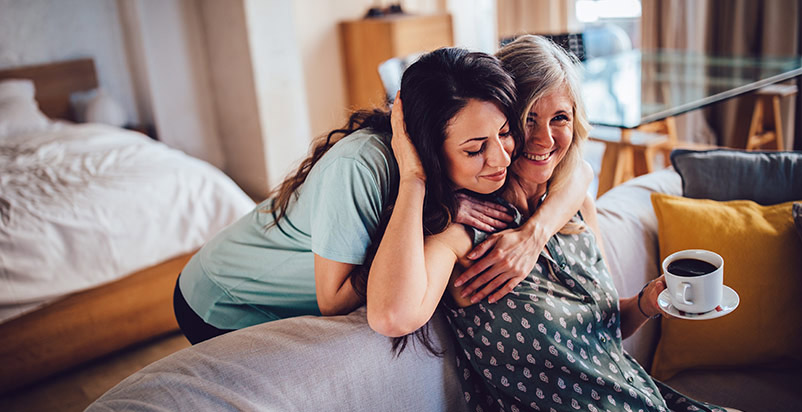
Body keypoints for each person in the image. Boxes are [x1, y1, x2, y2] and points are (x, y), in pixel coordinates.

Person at [368, 35, 731, 412]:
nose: (543, 138)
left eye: (560, 118)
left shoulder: (576, 208)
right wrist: (415, 175)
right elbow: (393, 314)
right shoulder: (464, 232)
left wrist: (646, 302)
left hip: (646, 399)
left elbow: (604, 331)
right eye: (527, 120)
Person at [173, 46, 591, 345]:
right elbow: (334, 300)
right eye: (475, 148)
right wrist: (427, 199)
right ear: (427, 144)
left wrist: (535, 233)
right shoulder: (361, 166)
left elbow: (580, 172)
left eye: (504, 133)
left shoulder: (472, 150)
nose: (500, 158)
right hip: (223, 296)